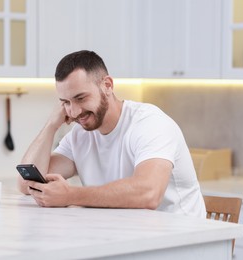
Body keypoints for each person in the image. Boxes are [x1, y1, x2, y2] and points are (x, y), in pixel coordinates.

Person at [18, 50, 206, 217]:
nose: (74, 112)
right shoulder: (80, 135)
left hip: (184, 242)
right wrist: (51, 125)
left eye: (80, 98)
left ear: (107, 85)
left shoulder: (150, 123)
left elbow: (149, 193)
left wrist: (70, 195)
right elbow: (27, 184)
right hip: (132, 238)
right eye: (65, 102)